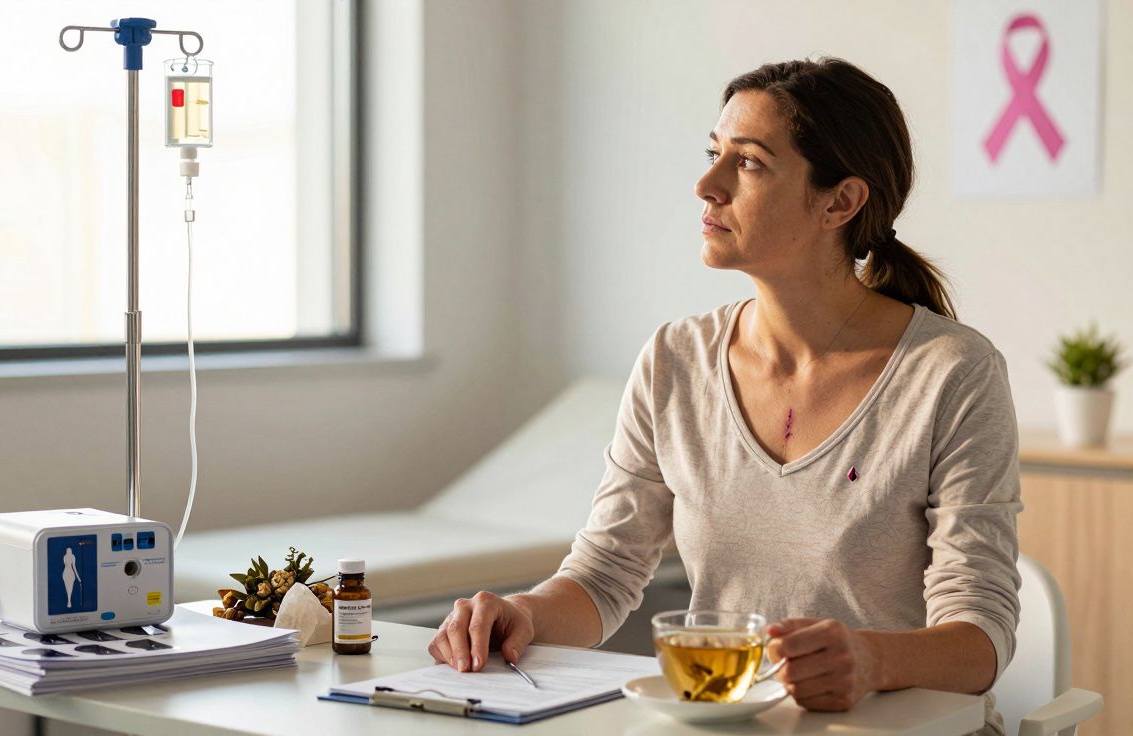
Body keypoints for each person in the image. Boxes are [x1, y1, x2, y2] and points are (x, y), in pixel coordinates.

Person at [427, 58, 1021, 735]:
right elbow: (605, 573)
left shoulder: (952, 372)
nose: (706, 185)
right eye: (715, 155)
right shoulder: (673, 360)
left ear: (839, 203)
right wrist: (525, 613)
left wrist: (872, 660)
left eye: (749, 163)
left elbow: (981, 636)